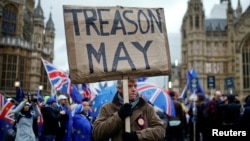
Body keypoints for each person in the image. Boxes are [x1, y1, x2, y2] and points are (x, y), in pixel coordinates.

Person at [93, 79, 166, 141]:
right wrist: (118, 116)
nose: (134, 89)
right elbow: (97, 133)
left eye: (135, 86)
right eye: (129, 86)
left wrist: (137, 136)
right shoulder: (107, 108)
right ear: (119, 88)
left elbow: (161, 131)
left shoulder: (146, 107)